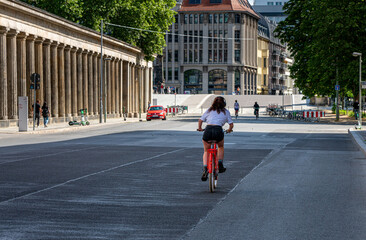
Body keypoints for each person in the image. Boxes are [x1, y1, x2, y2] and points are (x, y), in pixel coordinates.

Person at [197, 96, 234, 181]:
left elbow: (200, 120)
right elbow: (231, 124)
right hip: (218, 130)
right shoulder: (226, 112)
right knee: (220, 147)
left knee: (206, 150)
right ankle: (220, 164)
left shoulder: (209, 110)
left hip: (208, 130)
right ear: (224, 103)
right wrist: (229, 130)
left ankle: (205, 169)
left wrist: (200, 128)